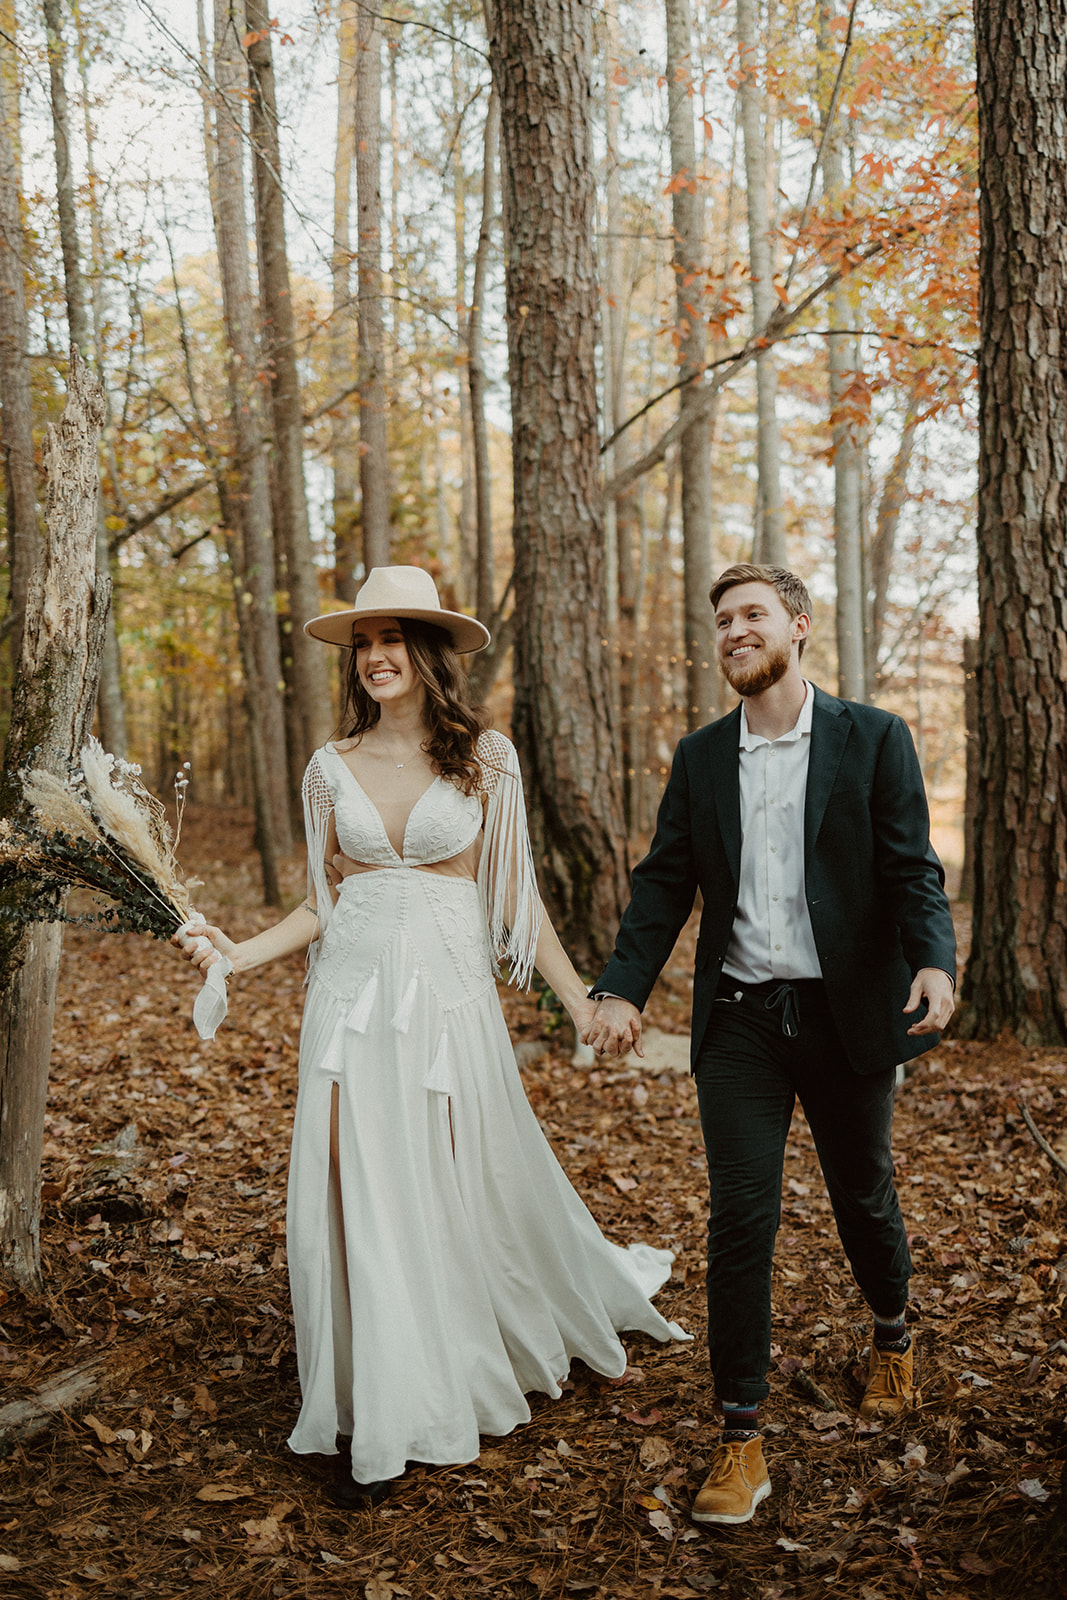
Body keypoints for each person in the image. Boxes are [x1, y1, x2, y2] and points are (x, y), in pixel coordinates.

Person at [175, 564, 686, 1508]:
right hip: (349, 1005)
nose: (375, 656)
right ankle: (372, 1406)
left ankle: (446, 1360)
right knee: (353, 1185)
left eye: (392, 638)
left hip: (448, 1003)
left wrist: (578, 1004)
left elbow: (517, 901)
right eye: (363, 642)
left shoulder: (485, 760)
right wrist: (232, 956)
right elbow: (321, 902)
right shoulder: (329, 766)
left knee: (444, 1177)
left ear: (430, 651)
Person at [583, 563, 956, 1528]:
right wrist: (622, 986)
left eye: (751, 615)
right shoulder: (702, 756)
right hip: (742, 1020)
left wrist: (934, 963)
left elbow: (912, 867)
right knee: (739, 1218)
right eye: (721, 621)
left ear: (797, 625)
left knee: (859, 1191)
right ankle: (740, 1435)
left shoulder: (872, 738)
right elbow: (665, 882)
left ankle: (890, 1332)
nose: (733, 631)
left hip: (846, 1017)